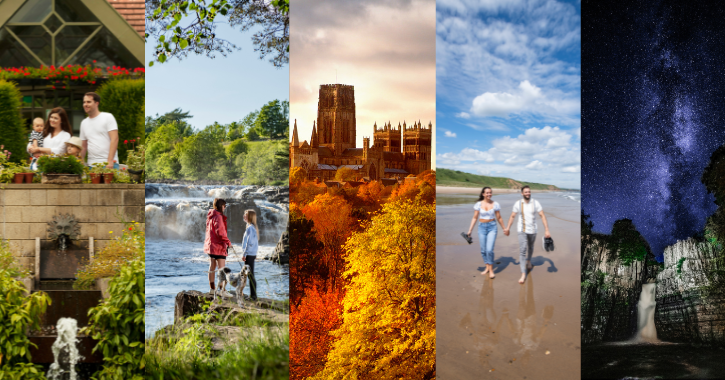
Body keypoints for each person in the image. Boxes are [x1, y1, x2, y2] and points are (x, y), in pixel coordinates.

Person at [504, 186, 551, 284]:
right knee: (522, 250)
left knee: (530, 247)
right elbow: (512, 216)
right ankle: (523, 273)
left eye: (529, 192)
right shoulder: (518, 203)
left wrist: (547, 230)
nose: (528, 193)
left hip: (533, 230)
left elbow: (542, 215)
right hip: (522, 230)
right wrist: (508, 228)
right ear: (522, 193)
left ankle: (529, 260)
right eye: (525, 192)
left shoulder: (535, 203)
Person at [466, 187, 507, 279]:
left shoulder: (495, 204)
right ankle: (487, 267)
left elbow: (499, 217)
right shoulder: (478, 204)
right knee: (483, 250)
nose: (489, 194)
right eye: (487, 193)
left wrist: (504, 228)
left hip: (492, 227)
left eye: (490, 193)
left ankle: (491, 270)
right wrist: (470, 230)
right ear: (483, 194)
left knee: (489, 250)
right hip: (481, 227)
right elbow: (475, 218)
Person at [79, 92, 119, 169]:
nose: (85, 104)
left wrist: (110, 161)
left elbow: (115, 139)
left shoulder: (108, 117)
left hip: (108, 164)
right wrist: (80, 162)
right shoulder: (84, 123)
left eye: (88, 102)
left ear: (96, 103)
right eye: (84, 102)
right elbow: (84, 146)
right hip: (91, 166)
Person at [204, 198, 232, 296]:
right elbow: (221, 232)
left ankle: (212, 289)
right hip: (219, 246)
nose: (225, 207)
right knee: (222, 268)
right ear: (221, 206)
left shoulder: (211, 216)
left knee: (212, 266)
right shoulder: (219, 217)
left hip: (211, 245)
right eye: (224, 206)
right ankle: (222, 290)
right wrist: (228, 242)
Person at [241, 209, 259, 301]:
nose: (244, 216)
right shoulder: (252, 227)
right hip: (251, 254)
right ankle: (253, 295)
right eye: (244, 214)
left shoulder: (250, 228)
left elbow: (249, 242)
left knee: (250, 275)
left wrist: (245, 254)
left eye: (246, 215)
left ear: (250, 217)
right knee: (250, 274)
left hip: (249, 254)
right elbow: (255, 243)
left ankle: (253, 296)